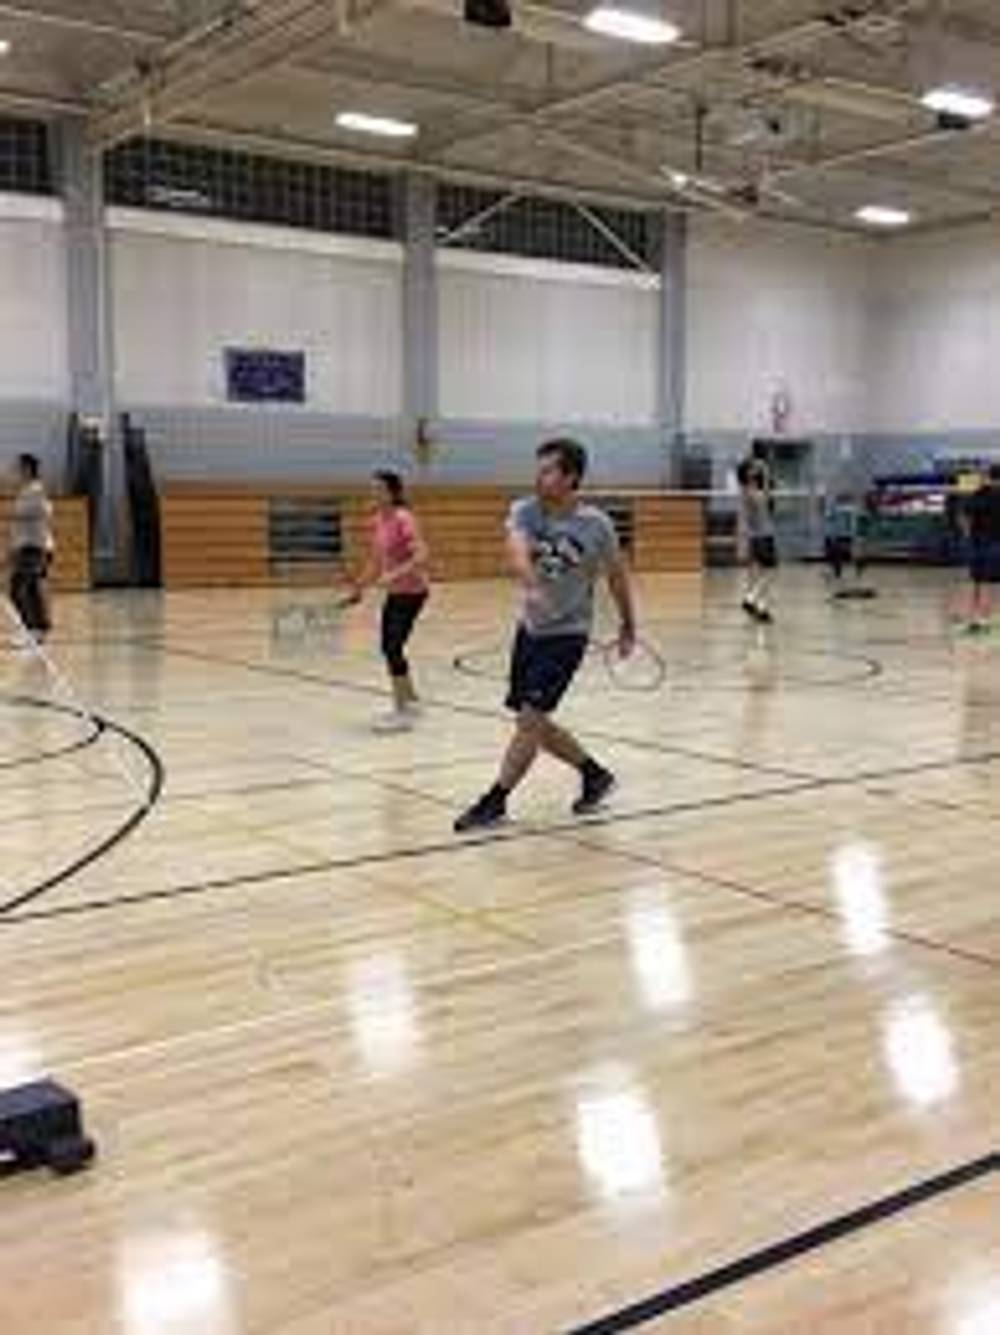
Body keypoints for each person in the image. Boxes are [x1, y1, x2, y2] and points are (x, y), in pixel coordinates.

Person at [454, 438, 636, 833]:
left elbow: (617, 575)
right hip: (530, 629)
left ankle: (494, 802)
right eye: (538, 469)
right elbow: (516, 548)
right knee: (530, 720)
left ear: (571, 477)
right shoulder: (525, 510)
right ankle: (594, 774)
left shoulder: (597, 525)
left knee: (531, 720)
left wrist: (628, 624)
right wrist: (530, 581)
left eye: (549, 470)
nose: (539, 477)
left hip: (567, 634)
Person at [347, 470, 430, 731]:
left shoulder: (404, 519)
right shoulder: (379, 521)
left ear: (393, 494)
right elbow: (375, 560)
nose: (373, 494)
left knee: (392, 646)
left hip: (414, 591)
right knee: (390, 646)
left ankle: (402, 710)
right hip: (396, 593)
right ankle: (410, 699)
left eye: (379, 489)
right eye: (372, 489)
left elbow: (422, 555)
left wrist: (394, 573)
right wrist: (359, 587)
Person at [8, 453, 53, 643]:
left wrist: (23, 517)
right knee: (30, 589)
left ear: (27, 469)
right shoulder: (26, 490)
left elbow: (46, 510)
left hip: (35, 548)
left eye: (18, 468)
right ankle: (38, 629)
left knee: (20, 589)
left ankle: (34, 629)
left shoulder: (36, 490)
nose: (15, 471)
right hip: (27, 548)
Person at [737, 458, 778, 624]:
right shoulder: (750, 492)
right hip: (763, 537)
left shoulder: (750, 491)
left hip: (757, 537)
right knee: (768, 573)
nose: (756, 470)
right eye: (753, 469)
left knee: (762, 573)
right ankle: (751, 598)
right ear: (749, 474)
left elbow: (766, 497)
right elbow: (764, 500)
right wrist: (765, 472)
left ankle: (761, 608)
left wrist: (765, 472)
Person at [961, 463, 1000, 633]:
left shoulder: (978, 492)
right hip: (994, 542)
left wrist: (968, 535)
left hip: (978, 543)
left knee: (977, 581)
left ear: (989, 477)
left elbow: (964, 516)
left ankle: (974, 619)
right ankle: (987, 619)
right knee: (991, 583)